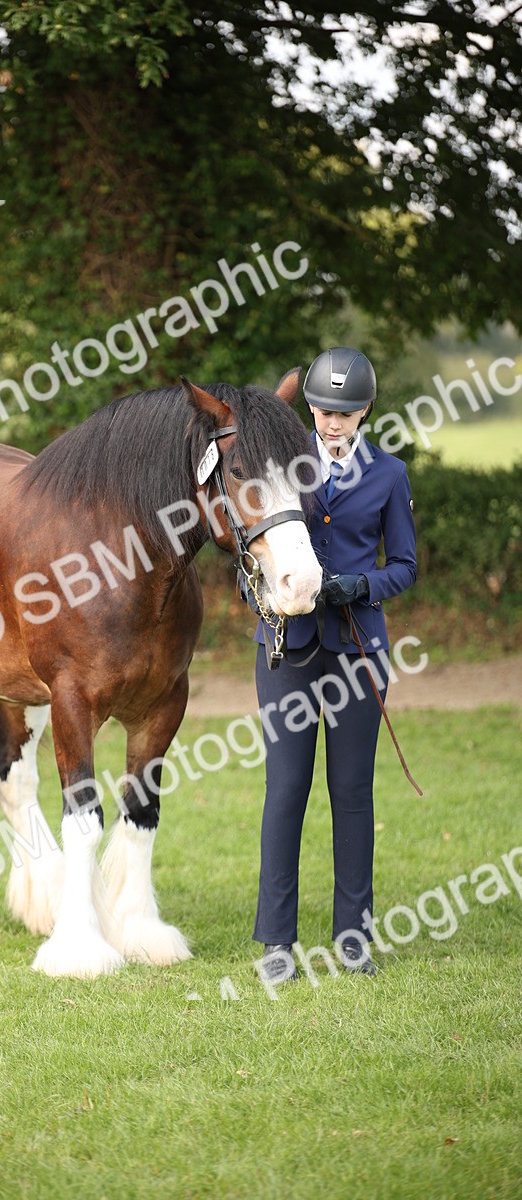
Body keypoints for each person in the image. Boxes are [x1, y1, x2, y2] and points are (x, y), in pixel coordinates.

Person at [251, 346, 417, 983]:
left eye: (345, 412)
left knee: (351, 794)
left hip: (357, 653)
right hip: (286, 650)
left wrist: (356, 585)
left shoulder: (390, 475)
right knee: (286, 792)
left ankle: (353, 938)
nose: (331, 421)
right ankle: (276, 943)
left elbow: (404, 566)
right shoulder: (280, 470)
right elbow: (252, 556)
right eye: (322, 409)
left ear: (366, 411)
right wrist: (262, 593)